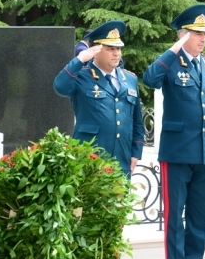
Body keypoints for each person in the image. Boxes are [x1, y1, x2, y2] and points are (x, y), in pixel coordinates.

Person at [143, 4, 205, 259]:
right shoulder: (169, 63)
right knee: (175, 216)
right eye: (196, 33)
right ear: (183, 35)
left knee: (201, 215)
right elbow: (149, 79)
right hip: (177, 151)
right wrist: (173, 50)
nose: (203, 38)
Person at [54, 20, 144, 178]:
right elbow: (60, 86)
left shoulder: (130, 79)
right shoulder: (82, 76)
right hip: (89, 159)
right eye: (110, 49)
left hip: (121, 160)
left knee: (121, 202)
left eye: (118, 48)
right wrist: (80, 59)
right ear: (96, 51)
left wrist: (136, 152)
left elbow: (136, 120)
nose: (117, 53)